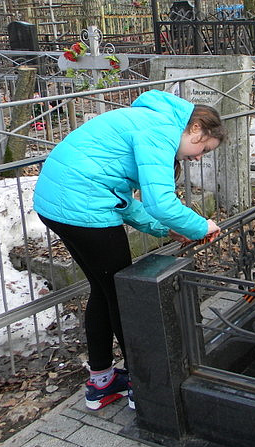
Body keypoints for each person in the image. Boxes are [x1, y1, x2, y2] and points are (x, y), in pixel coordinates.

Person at [33, 89, 225, 410]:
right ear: (194, 129)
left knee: (105, 290)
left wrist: (166, 228)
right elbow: (160, 202)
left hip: (58, 201)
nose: (197, 157)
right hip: (83, 207)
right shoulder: (161, 130)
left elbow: (121, 198)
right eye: (202, 147)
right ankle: (144, 386)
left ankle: (102, 383)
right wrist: (200, 226)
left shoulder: (148, 121)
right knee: (122, 296)